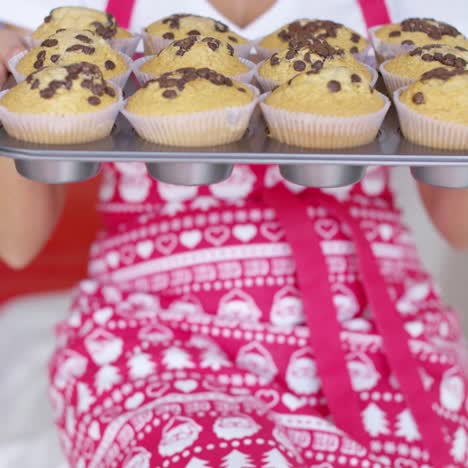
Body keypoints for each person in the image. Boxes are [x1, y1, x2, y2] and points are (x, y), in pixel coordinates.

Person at [1, 1, 468, 467]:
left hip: (381, 327)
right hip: (154, 334)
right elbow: (17, 244)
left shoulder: (421, 13)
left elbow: (460, 230)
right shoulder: (68, 13)